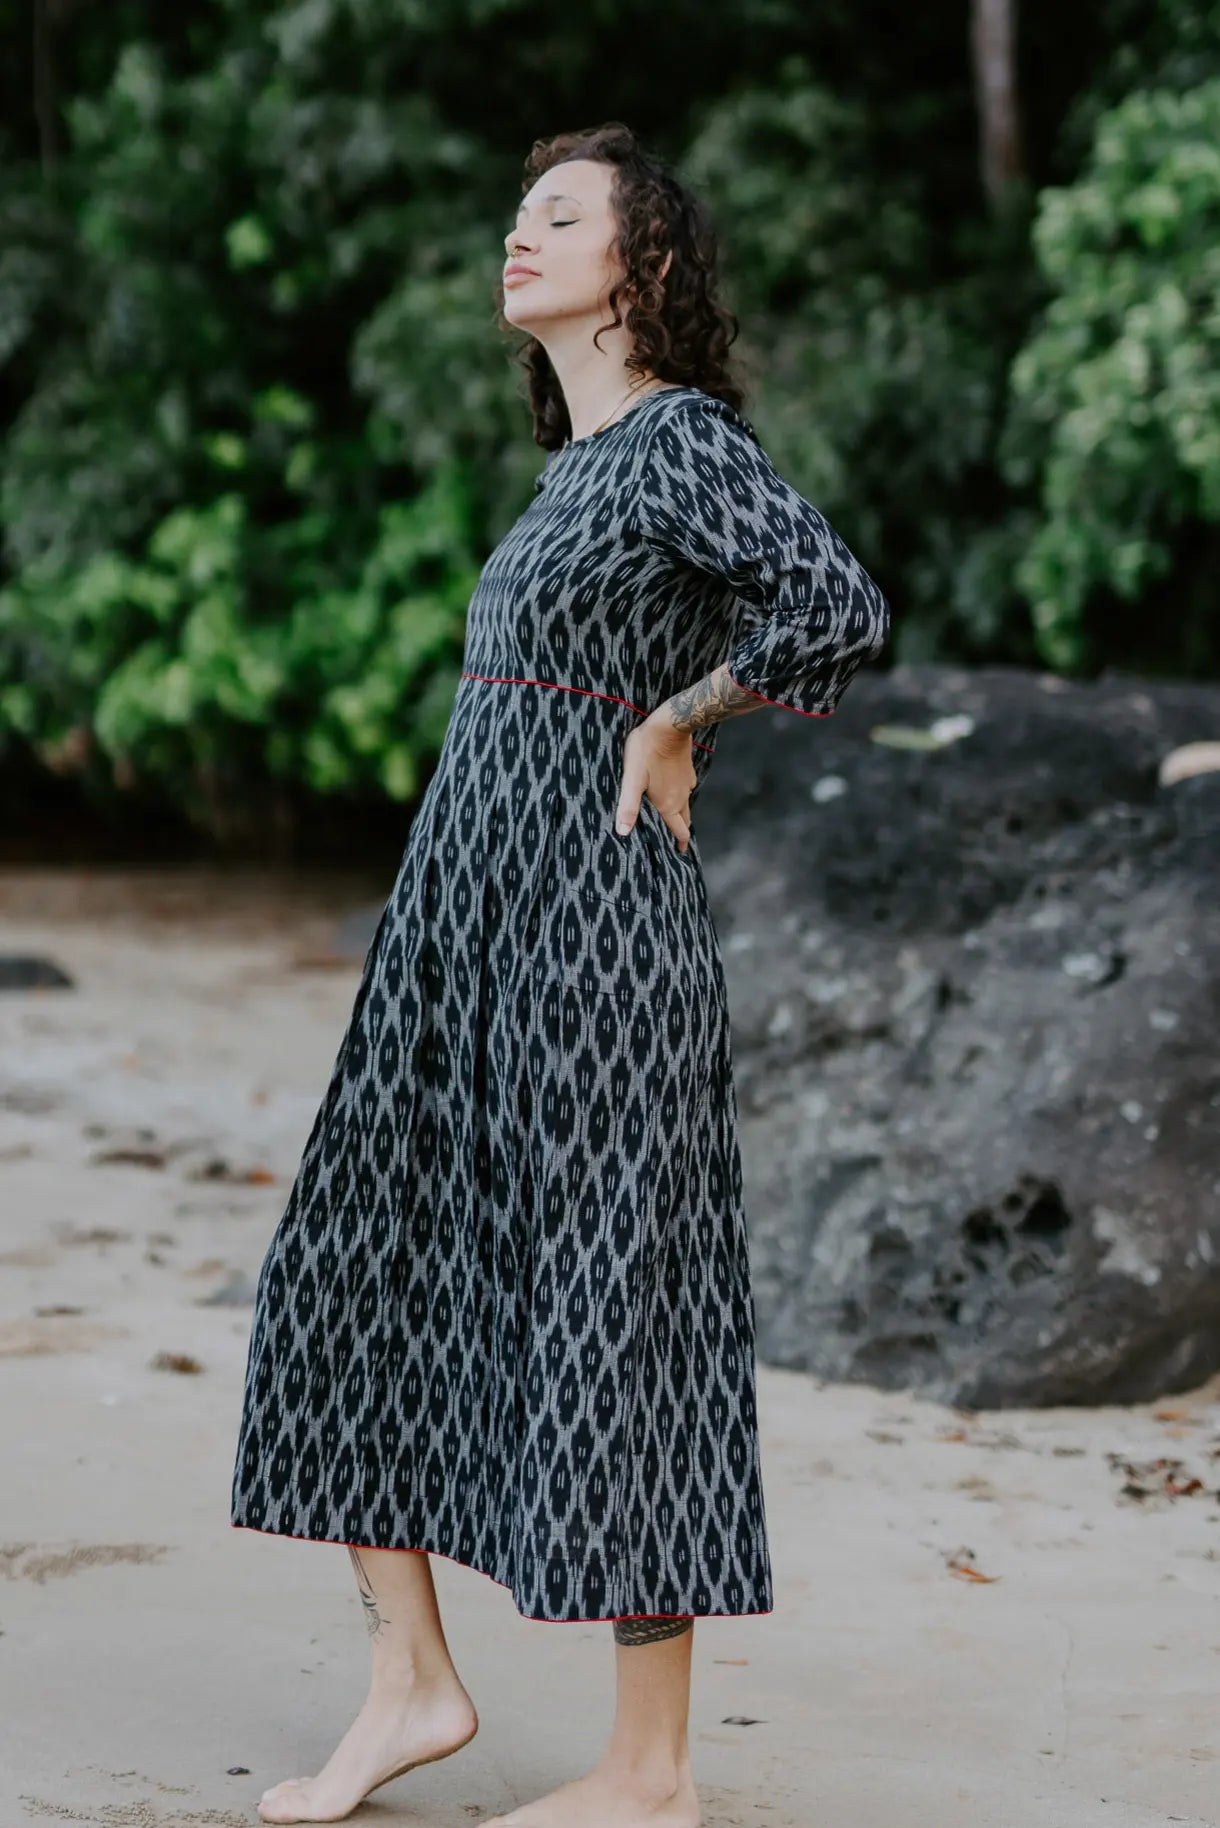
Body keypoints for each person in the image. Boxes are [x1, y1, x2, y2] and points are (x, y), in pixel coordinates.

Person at [231, 120, 890, 1828]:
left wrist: (680, 719)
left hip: (601, 947)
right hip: (462, 938)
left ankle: (652, 1772)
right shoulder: (575, 476)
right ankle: (412, 1681)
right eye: (515, 213)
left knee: (620, 1319)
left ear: (640, 261)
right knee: (351, 1269)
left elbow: (833, 602)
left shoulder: (678, 441)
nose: (517, 237)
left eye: (559, 215)